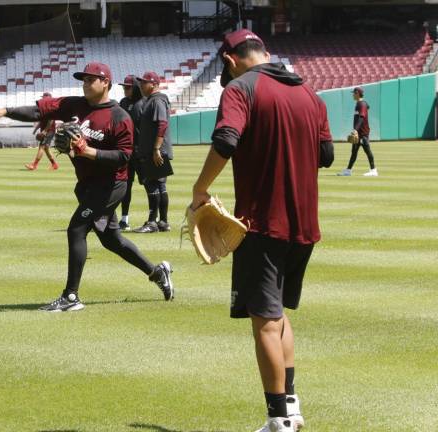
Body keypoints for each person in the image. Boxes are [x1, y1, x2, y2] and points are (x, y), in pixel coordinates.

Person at [189, 30, 334, 432]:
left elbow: (226, 139)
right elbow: (327, 155)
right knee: (278, 316)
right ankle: (291, 404)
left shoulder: (241, 88)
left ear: (231, 60)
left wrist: (201, 189)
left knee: (265, 322)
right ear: (266, 54)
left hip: (262, 224)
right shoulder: (311, 95)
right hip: (304, 226)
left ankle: (278, 421)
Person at [0, 62, 174, 312]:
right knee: (112, 241)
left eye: (90, 80)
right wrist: (5, 111)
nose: (85, 84)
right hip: (87, 185)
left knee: (76, 229)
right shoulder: (74, 106)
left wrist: (88, 151)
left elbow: (124, 156)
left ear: (105, 82)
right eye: (83, 80)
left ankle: (70, 297)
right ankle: (157, 273)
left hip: (111, 185)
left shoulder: (119, 117)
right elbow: (38, 111)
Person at [133, 71, 174, 234]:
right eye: (141, 82)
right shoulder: (154, 100)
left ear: (154, 84)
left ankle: (152, 222)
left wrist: (156, 149)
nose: (141, 85)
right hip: (155, 150)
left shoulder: (156, 100)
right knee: (160, 185)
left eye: (145, 82)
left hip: (155, 151)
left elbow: (162, 124)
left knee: (152, 185)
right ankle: (162, 222)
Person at [117, 75, 144, 231]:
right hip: (126, 152)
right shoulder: (123, 103)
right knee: (125, 186)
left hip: (141, 152)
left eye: (128, 87)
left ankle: (155, 220)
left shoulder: (143, 103)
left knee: (149, 186)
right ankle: (124, 220)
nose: (125, 90)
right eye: (124, 87)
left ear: (135, 88)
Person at [338, 87, 377, 177]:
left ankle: (373, 170)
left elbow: (361, 117)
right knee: (354, 152)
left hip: (363, 133)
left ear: (357, 94)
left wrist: (355, 129)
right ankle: (348, 170)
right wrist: (356, 131)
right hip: (359, 133)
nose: (352, 95)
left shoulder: (362, 104)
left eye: (353, 93)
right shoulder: (359, 104)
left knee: (367, 151)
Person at [25, 92, 59, 171]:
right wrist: (36, 129)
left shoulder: (51, 108)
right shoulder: (44, 108)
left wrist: (44, 131)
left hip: (49, 131)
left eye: (43, 97)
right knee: (46, 148)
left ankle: (34, 165)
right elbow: (41, 121)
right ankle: (54, 165)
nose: (42, 99)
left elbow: (51, 121)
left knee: (41, 147)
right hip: (46, 130)